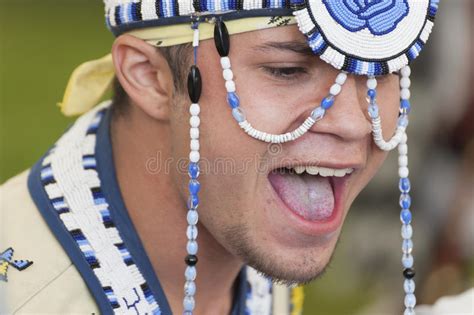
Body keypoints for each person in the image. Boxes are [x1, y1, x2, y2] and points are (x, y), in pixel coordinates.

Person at [0, 0, 440, 314]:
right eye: (287, 71)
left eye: (383, 73)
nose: (354, 123)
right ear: (149, 77)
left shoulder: (252, 231)